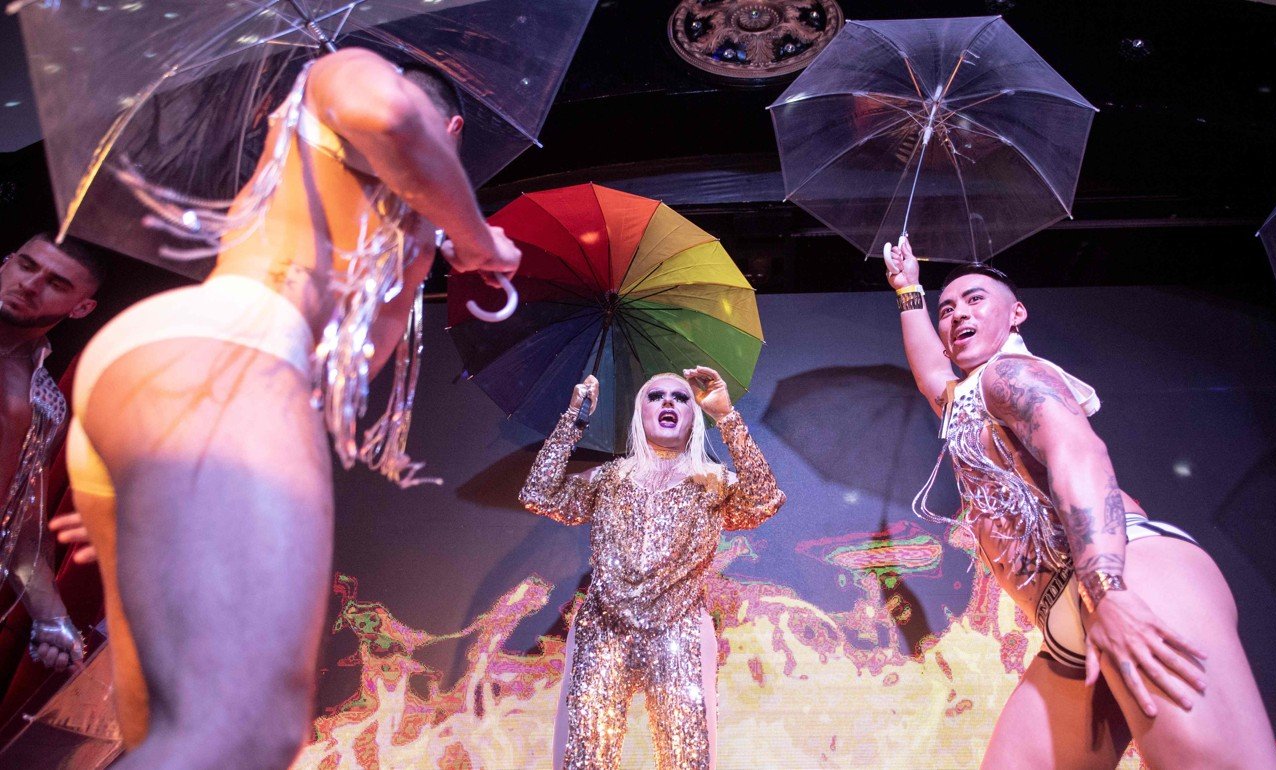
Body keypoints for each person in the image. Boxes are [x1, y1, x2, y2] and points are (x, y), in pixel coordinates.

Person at [69, 47, 520, 770]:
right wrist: (478, 236)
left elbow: (344, 369)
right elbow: (395, 117)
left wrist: (172, 496)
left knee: (157, 728)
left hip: (184, 387)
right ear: (456, 130)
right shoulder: (345, 72)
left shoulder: (414, 239)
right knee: (248, 734)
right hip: (228, 351)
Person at [883, 236, 1276, 769]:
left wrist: (1108, 591)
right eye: (947, 309)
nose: (956, 314)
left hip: (1129, 577)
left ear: (1016, 313)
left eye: (975, 299)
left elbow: (1082, 454)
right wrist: (908, 289)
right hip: (1066, 630)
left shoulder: (1014, 375)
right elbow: (932, 374)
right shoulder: (965, 400)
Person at [519, 366, 786, 770]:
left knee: (686, 760)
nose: (668, 402)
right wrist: (574, 418)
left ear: (693, 416)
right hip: (603, 630)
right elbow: (538, 494)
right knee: (585, 757)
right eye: (655, 396)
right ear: (639, 413)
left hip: (679, 631)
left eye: (680, 398)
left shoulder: (712, 482)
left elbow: (764, 500)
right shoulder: (608, 478)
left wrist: (726, 416)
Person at [0, 233, 103, 673]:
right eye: (26, 265)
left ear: (80, 308)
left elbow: (19, 521)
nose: (30, 283)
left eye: (57, 283)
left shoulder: (45, 402)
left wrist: (51, 614)